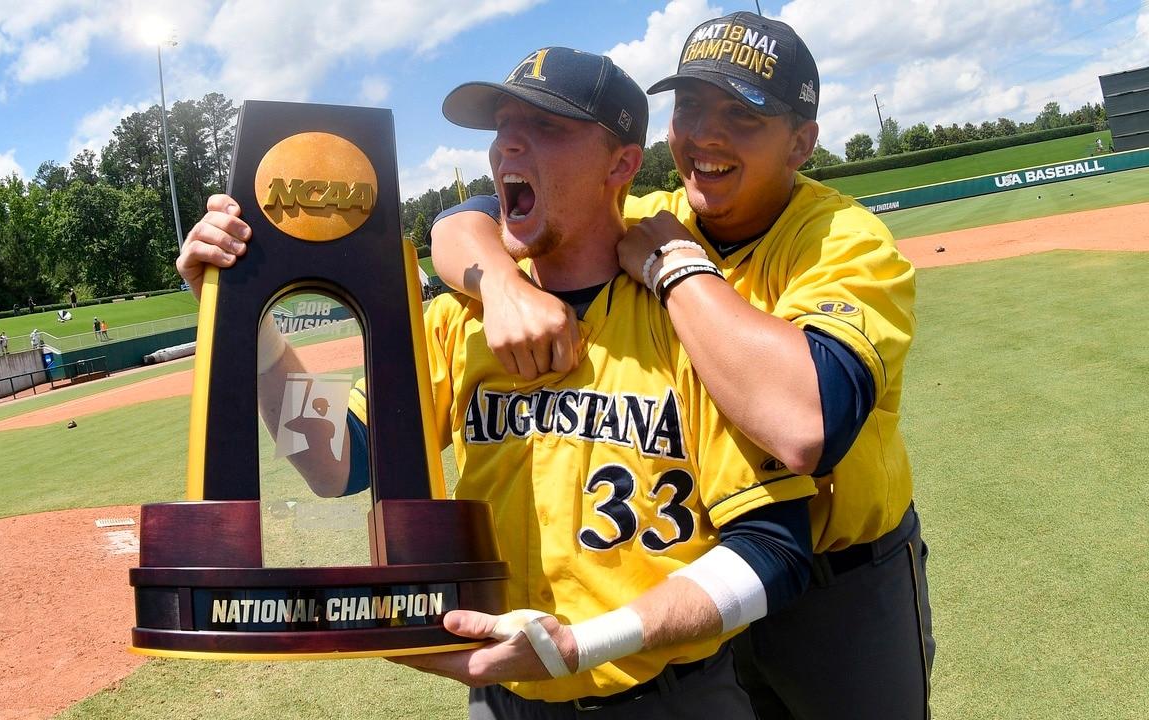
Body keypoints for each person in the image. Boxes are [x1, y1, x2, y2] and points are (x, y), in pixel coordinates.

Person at [177, 48, 828, 718]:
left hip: (671, 699)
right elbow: (330, 463)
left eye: (547, 126)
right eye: (503, 125)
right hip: (503, 700)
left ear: (622, 165)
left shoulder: (687, 319)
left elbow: (771, 549)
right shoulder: (458, 320)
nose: (508, 144)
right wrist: (244, 322)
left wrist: (580, 646)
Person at [430, 13, 932, 720]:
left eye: (742, 114)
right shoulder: (654, 211)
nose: (705, 136)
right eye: (689, 106)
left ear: (801, 142)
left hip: (835, 580)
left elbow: (805, 427)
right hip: (695, 579)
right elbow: (467, 220)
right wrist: (503, 286)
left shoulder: (842, 240)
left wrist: (677, 271)